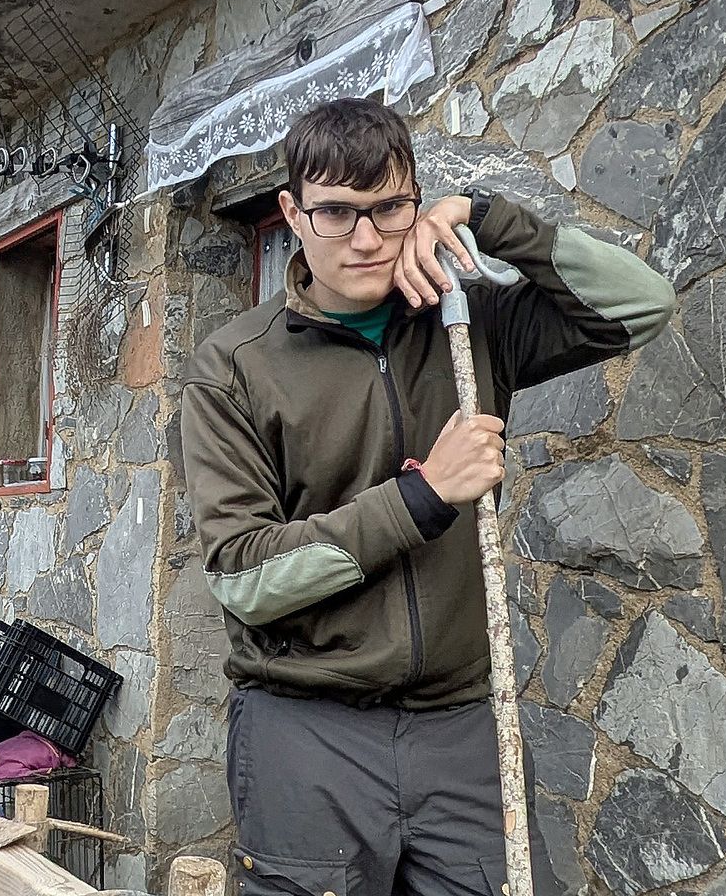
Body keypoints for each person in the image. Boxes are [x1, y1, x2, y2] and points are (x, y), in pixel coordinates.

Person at [179, 97, 674, 896]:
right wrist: (424, 498)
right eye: (337, 212)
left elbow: (642, 304)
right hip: (307, 731)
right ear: (291, 214)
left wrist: (487, 218)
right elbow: (244, 578)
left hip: (461, 728)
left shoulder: (468, 325)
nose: (367, 238)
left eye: (389, 209)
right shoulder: (235, 366)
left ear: (416, 203)